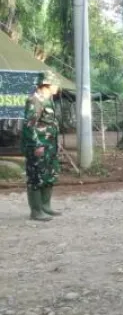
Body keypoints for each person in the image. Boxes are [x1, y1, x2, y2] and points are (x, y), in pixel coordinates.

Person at [22, 71, 61, 221]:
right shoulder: (35, 100)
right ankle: (36, 211)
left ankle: (45, 206)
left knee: (49, 174)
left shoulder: (48, 100)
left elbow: (49, 123)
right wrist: (36, 144)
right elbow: (29, 125)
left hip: (49, 146)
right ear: (46, 84)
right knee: (36, 177)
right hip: (38, 146)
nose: (57, 87)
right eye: (55, 84)